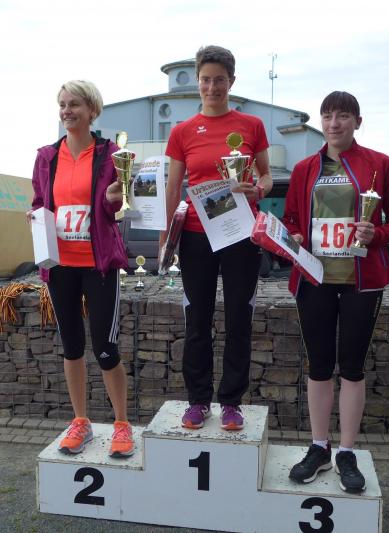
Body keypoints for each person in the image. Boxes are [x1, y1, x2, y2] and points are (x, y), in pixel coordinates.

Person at [282, 91, 389, 493]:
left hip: (361, 281)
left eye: (342, 116)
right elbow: (291, 219)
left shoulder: (381, 165)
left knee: (352, 367)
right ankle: (319, 446)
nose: (334, 123)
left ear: (357, 121)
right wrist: (294, 235)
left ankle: (347, 452)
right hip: (314, 279)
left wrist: (377, 234)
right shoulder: (304, 168)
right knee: (319, 365)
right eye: (327, 116)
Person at [161, 45, 272, 431]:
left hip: (241, 234)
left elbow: (266, 177)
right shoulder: (182, 131)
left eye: (219, 80)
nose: (212, 87)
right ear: (197, 81)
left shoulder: (252, 125)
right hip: (196, 235)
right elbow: (173, 187)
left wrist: (259, 189)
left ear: (232, 82)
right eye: (206, 80)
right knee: (198, 320)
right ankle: (197, 401)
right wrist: (166, 237)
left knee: (239, 317)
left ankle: (231, 403)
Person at [28, 80, 133, 458]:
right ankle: (80, 421)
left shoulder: (110, 154)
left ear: (92, 110)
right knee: (71, 346)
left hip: (97, 265)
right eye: (62, 104)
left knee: (105, 348)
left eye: (74, 104)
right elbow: (40, 200)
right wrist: (35, 215)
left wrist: (113, 198)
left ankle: (121, 424)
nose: (66, 111)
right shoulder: (47, 156)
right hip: (60, 266)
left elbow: (117, 205)